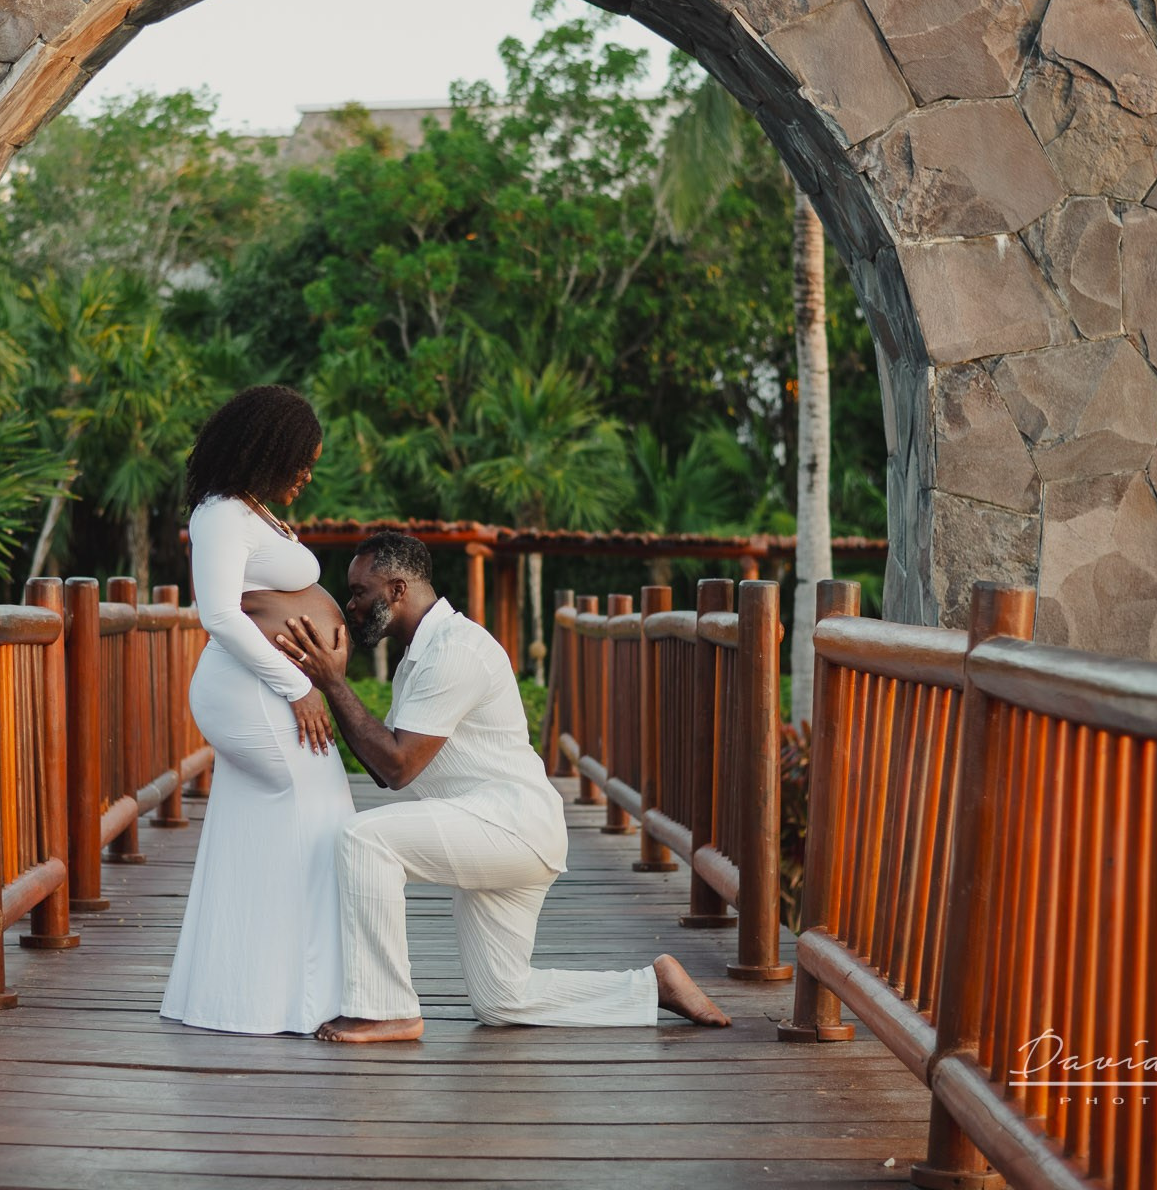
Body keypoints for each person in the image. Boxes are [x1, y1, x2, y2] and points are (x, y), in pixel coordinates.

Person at [274, 531, 732, 1042]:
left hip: (511, 826)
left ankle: (386, 1008)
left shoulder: (457, 650)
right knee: (502, 999)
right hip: (491, 826)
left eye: (359, 592)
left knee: (363, 840)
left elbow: (399, 766)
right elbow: (386, 770)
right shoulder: (418, 657)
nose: (351, 605)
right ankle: (654, 987)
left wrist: (332, 683)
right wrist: (325, 685)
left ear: (398, 589)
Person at [158, 385, 354, 1034]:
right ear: (264, 450)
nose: (305, 475)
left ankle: (234, 998)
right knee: (319, 815)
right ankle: (304, 998)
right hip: (252, 692)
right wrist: (298, 686)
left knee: (265, 827)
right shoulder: (220, 514)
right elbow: (217, 614)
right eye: (300, 462)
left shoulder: (251, 512)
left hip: (266, 688)